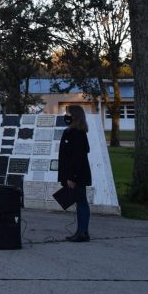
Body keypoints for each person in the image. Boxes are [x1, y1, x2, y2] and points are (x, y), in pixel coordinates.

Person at [58, 104, 92, 242]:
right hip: (74, 174)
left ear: (75, 116)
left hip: (77, 175)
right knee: (80, 201)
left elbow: (77, 157)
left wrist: (72, 177)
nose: (66, 116)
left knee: (82, 202)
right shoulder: (71, 132)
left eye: (68, 113)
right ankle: (81, 231)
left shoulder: (77, 133)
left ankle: (83, 232)